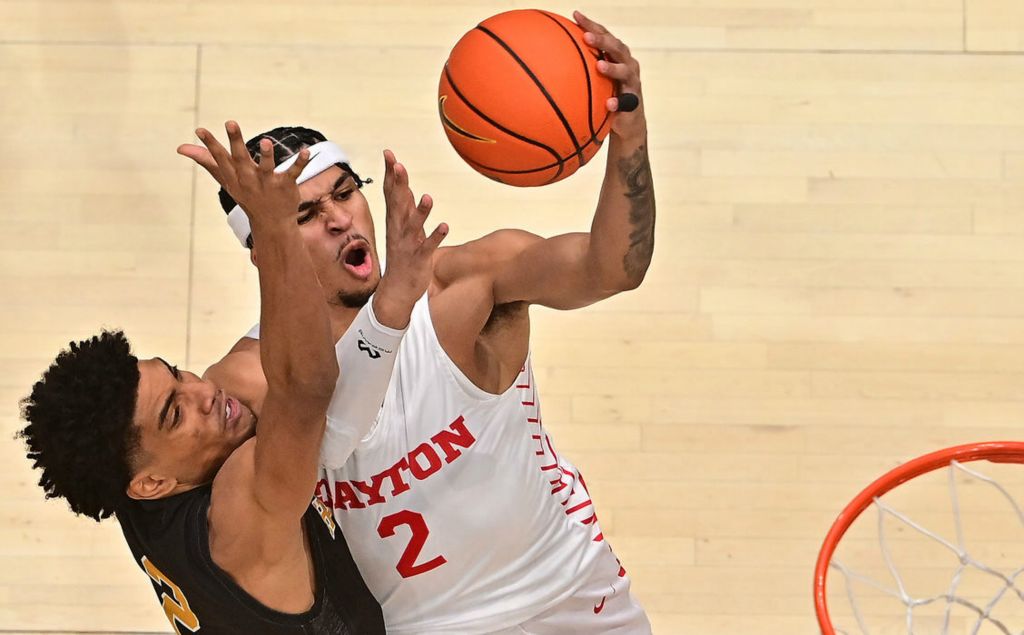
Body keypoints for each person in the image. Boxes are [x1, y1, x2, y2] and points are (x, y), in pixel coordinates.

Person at [185, 11, 655, 634]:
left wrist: (628, 135)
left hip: (575, 592)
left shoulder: (464, 286)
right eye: (303, 215)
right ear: (263, 245)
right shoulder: (246, 382)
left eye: (346, 192)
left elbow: (610, 268)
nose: (339, 220)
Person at [19, 122, 446, 634]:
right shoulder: (240, 517)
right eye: (175, 413)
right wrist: (276, 230)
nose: (204, 391)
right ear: (151, 484)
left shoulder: (132, 474)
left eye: (178, 375)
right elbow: (308, 389)